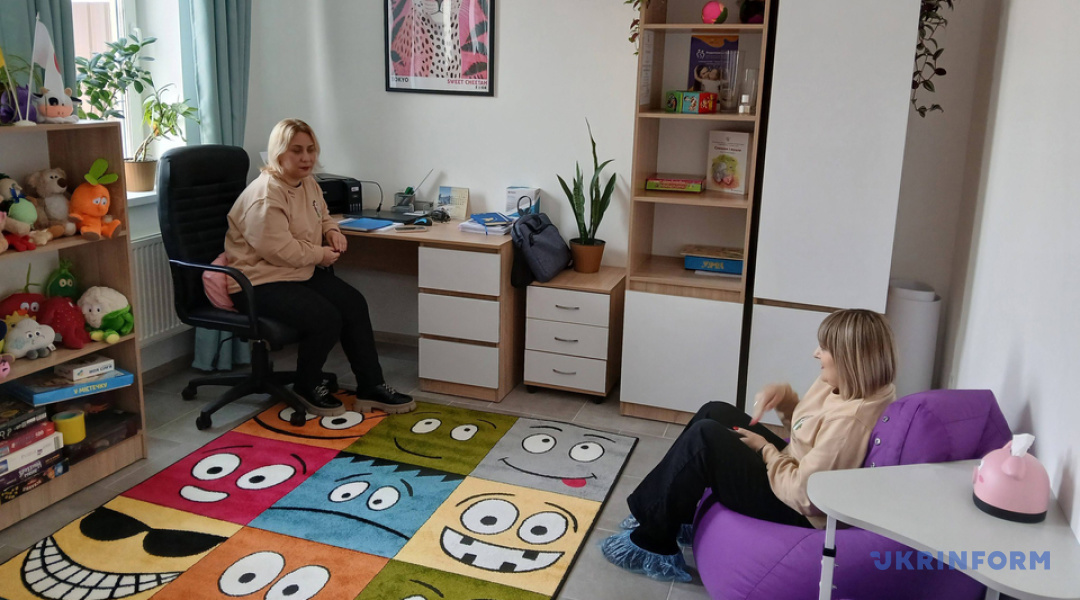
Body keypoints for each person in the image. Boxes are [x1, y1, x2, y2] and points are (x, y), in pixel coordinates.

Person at [601, 309, 897, 582]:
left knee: (705, 437)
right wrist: (785, 399)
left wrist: (765, 450)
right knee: (714, 411)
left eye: (825, 349)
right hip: (791, 467)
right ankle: (670, 514)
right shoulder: (844, 382)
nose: (815, 353)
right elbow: (808, 432)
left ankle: (653, 540)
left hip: (799, 509)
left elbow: (806, 497)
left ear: (849, 359)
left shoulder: (851, 422)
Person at [225, 118, 415, 417]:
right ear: (279, 153)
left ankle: (371, 386)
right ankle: (307, 384)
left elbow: (322, 214)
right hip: (257, 281)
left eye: (311, 149)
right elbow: (279, 250)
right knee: (325, 318)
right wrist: (320, 255)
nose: (306, 158)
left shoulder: (307, 182)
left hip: (295, 272)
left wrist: (332, 231)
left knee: (353, 303)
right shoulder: (265, 195)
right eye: (297, 150)